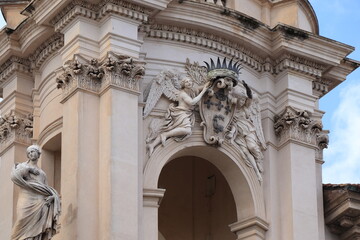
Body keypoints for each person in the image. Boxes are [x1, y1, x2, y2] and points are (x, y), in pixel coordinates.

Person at [147, 77, 210, 155]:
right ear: (183, 84)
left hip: (187, 114)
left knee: (171, 128)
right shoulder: (182, 94)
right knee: (187, 130)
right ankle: (165, 134)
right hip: (181, 113)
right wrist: (203, 91)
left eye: (190, 81)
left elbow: (202, 87)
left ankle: (152, 145)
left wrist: (209, 84)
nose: (189, 83)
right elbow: (192, 102)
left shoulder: (192, 90)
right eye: (186, 82)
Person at [11, 145, 61, 240]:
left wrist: (52, 197)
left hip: (40, 201)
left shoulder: (42, 173)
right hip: (26, 198)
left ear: (38, 154)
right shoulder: (23, 166)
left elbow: (46, 189)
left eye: (33, 151)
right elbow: (15, 177)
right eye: (29, 153)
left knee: (36, 229)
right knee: (21, 219)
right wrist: (29, 169)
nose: (31, 154)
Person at [227, 82, 265, 182]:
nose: (243, 102)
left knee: (252, 147)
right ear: (238, 99)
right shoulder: (233, 109)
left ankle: (258, 160)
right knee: (244, 152)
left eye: (244, 100)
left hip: (248, 130)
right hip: (238, 133)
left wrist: (247, 88)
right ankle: (256, 171)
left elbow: (250, 98)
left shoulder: (245, 108)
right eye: (242, 99)